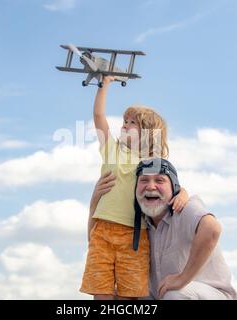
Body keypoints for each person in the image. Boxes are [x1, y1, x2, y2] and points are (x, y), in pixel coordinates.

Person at [80, 76, 188, 300]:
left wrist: (184, 195)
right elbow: (99, 117)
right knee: (102, 295)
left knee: (128, 298)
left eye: (132, 122)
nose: (124, 125)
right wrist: (104, 83)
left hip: (135, 236)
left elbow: (174, 187)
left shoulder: (153, 162)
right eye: (124, 120)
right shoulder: (112, 150)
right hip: (102, 232)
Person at [134, 158, 237, 300]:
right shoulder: (139, 224)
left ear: (174, 188)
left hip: (212, 293)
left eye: (159, 180)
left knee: (174, 295)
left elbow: (212, 229)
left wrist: (183, 278)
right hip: (165, 295)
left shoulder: (185, 208)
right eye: (144, 180)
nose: (151, 186)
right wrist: (96, 198)